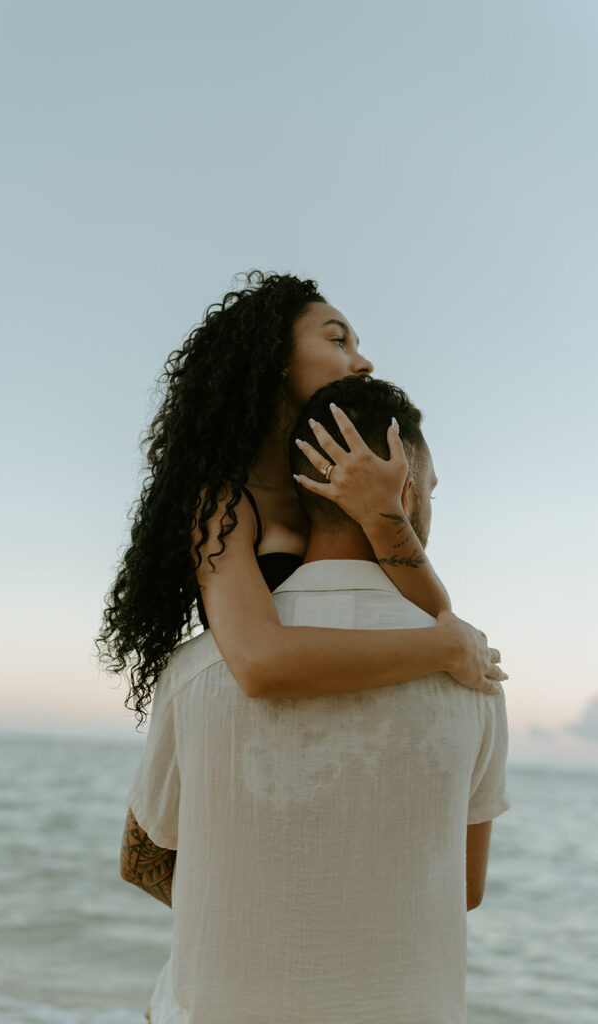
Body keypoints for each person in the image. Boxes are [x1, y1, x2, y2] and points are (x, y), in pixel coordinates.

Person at [120, 374, 511, 1023]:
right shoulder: (473, 674)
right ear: (406, 491)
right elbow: (461, 890)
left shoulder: (197, 669)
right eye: (432, 492)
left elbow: (144, 860)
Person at [96, 271, 506, 729]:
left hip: (360, 724)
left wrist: (384, 513)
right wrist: (445, 649)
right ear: (276, 360)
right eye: (339, 342)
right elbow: (257, 663)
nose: (364, 362)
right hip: (265, 738)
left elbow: (432, 611)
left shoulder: (344, 485)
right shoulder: (224, 503)